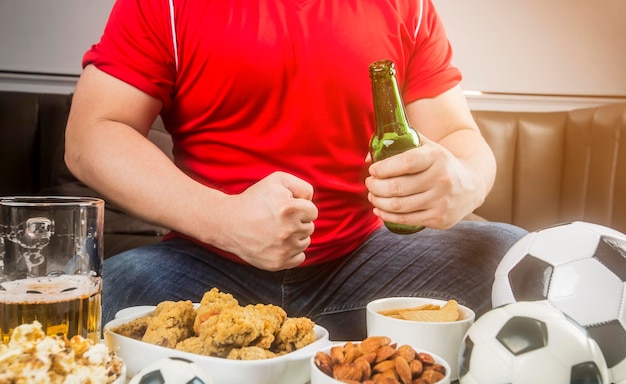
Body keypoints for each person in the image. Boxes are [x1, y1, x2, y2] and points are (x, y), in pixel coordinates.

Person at [65, 0, 527, 340]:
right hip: (203, 267)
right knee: (97, 297)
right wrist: (223, 220)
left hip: (367, 264)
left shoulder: (409, 6)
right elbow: (91, 135)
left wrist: (464, 182)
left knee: (509, 254)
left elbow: (458, 138)